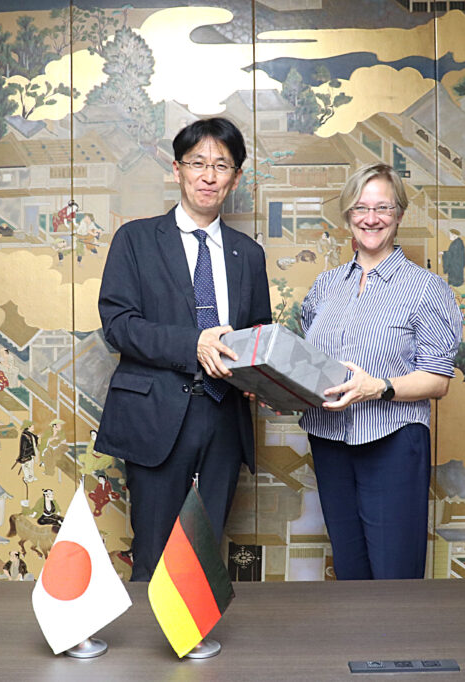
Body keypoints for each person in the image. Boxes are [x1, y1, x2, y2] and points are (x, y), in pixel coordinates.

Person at [95, 117, 272, 582]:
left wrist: (262, 375)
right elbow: (118, 326)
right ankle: (148, 653)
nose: (209, 175)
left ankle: (191, 642)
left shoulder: (248, 254)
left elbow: (259, 332)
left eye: (222, 165)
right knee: (153, 551)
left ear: (236, 177)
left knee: (202, 553)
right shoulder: (135, 240)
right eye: (198, 163)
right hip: (156, 416)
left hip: (224, 419)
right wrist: (193, 344)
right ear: (177, 170)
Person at [299, 163, 462, 580]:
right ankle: (357, 648)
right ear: (348, 216)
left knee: (394, 575)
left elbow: (438, 380)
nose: (371, 218)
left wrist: (380, 387)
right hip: (329, 440)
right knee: (350, 570)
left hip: (392, 442)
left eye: (383, 208)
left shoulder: (427, 288)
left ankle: (397, 648)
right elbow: (309, 364)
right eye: (360, 208)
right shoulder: (324, 287)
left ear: (400, 216)